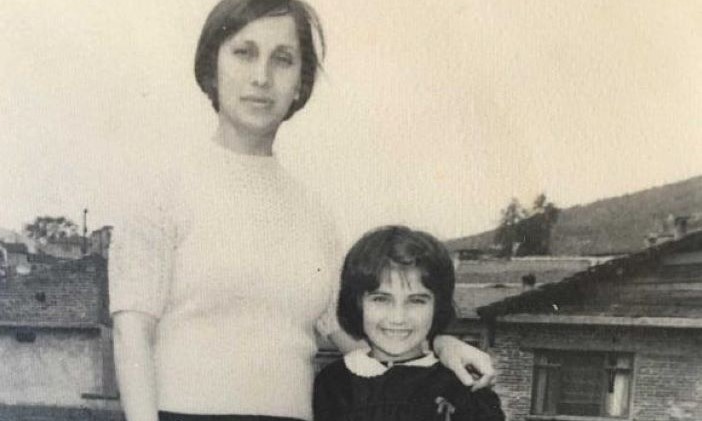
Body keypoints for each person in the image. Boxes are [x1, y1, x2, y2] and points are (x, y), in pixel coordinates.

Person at [109, 1, 495, 421]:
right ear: (210, 68)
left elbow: (362, 334)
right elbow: (131, 336)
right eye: (244, 52)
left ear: (300, 83)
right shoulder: (162, 192)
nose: (261, 77)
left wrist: (442, 346)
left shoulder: (314, 211)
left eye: (283, 59)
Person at [313, 226, 505, 421]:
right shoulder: (333, 384)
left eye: (416, 301)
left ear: (437, 306)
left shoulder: (462, 387)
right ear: (357, 303)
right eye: (381, 299)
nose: (398, 317)